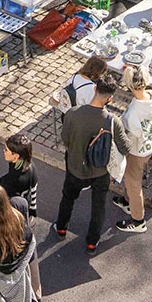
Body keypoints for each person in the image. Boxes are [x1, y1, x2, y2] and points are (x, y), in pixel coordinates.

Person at [55, 75, 128, 254]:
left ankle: (62, 228)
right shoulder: (112, 121)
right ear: (110, 98)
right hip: (100, 171)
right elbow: (125, 148)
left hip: (74, 167)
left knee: (68, 198)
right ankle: (91, 243)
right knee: (98, 206)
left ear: (95, 89)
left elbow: (65, 139)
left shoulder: (72, 113)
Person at [114, 64, 152, 235]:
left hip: (137, 151)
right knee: (134, 179)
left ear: (128, 85)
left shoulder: (133, 113)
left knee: (133, 183)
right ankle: (128, 202)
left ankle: (138, 220)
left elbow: (128, 136)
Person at [0, 133, 38, 218]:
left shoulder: (15, 179)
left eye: (6, 150)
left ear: (16, 156)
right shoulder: (29, 164)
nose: (4, 151)